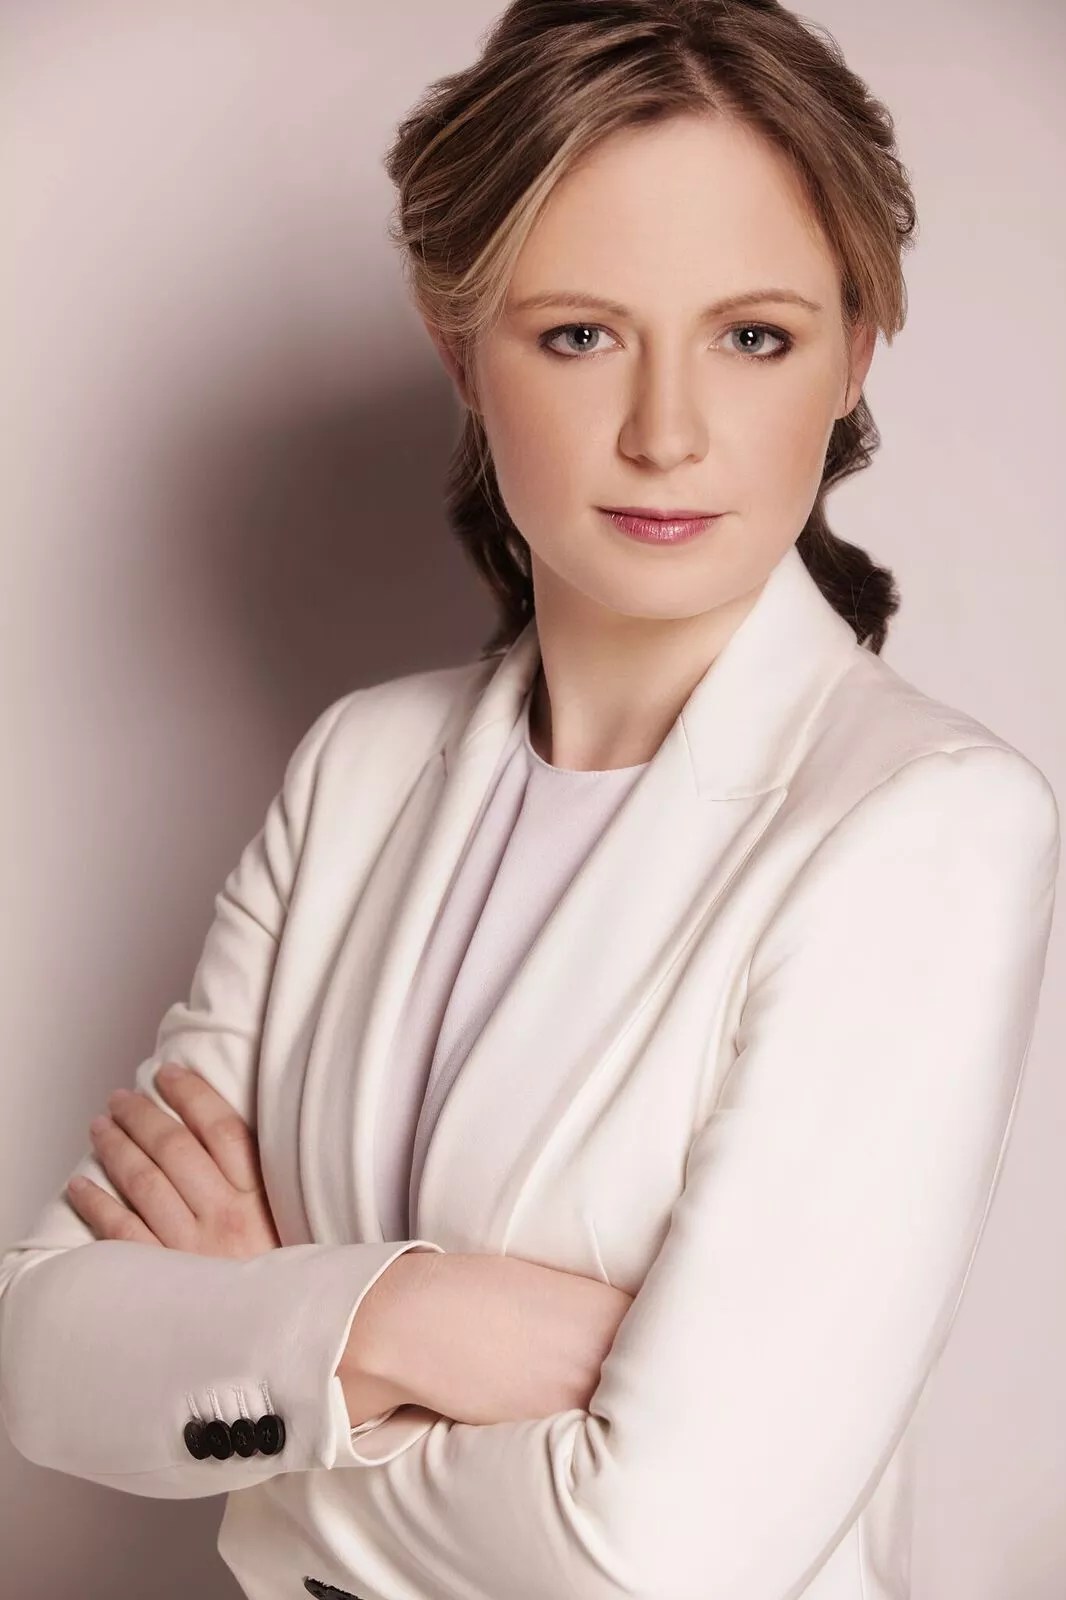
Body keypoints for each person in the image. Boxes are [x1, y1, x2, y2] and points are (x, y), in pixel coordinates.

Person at [1, 3, 1059, 1598]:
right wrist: (412, 1317)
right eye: (578, 334)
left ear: (852, 354)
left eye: (751, 336)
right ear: (459, 350)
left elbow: (670, 1555)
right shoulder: (359, 769)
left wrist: (272, 1364)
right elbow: (44, 1355)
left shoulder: (927, 824)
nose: (665, 432)